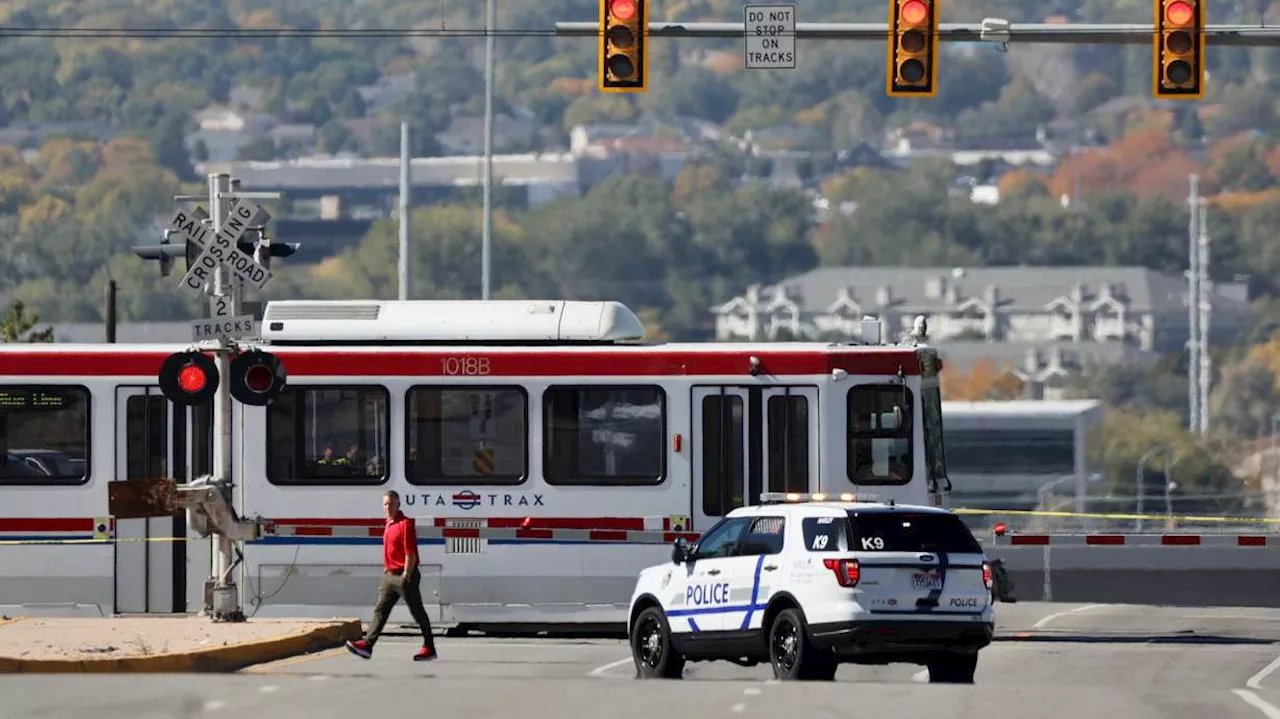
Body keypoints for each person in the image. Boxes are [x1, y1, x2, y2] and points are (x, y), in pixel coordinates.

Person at [345, 490, 439, 661]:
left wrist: (406, 575)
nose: (388, 507)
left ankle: (429, 648)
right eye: (385, 504)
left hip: (403, 576)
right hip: (388, 575)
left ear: (398, 505)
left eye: (391, 504)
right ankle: (367, 645)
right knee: (380, 611)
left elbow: (410, 553)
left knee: (418, 612)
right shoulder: (389, 524)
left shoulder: (405, 524)